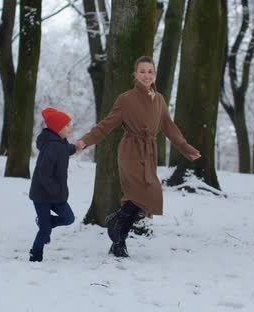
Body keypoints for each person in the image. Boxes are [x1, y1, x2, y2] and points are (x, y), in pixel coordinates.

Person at [76, 56, 201, 258]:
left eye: (150, 71)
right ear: (135, 75)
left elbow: (169, 127)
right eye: (142, 71)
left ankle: (118, 239)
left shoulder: (159, 99)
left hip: (149, 153)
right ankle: (118, 229)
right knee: (139, 195)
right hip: (130, 151)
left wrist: (185, 147)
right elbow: (107, 124)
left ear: (154, 74)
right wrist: (85, 141)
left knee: (149, 196)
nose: (146, 75)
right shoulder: (126, 99)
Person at [28, 108, 82, 262]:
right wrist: (55, 190)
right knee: (44, 231)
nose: (70, 128)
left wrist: (76, 148)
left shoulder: (60, 142)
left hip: (56, 195)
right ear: (58, 129)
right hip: (42, 195)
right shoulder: (52, 146)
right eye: (67, 125)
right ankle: (35, 254)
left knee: (68, 218)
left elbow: (65, 150)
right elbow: (43, 174)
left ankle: (45, 222)